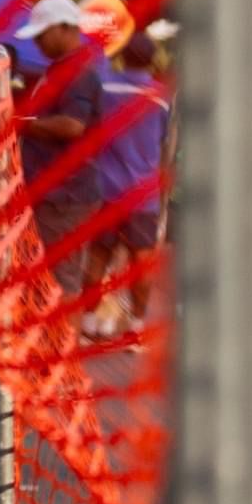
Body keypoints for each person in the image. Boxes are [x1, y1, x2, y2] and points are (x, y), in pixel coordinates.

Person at [13, 0, 104, 308]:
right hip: (59, 195)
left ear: (65, 28)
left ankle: (62, 355)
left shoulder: (78, 72)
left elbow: (72, 126)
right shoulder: (62, 68)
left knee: (61, 283)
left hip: (66, 197)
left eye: (42, 34)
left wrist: (22, 124)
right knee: (54, 280)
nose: (37, 42)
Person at [82, 30, 171, 338]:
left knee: (97, 256)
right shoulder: (160, 98)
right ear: (152, 60)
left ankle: (89, 322)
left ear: (123, 56)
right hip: (143, 196)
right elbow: (162, 144)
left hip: (104, 190)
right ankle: (136, 326)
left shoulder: (103, 87)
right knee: (140, 264)